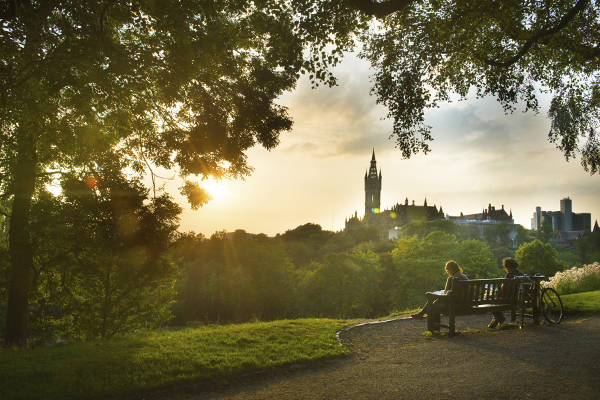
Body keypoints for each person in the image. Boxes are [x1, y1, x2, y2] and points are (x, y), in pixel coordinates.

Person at [488, 257, 524, 328]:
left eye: (505, 267)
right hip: (518, 298)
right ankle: (500, 317)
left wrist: (496, 292)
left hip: (508, 299)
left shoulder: (509, 275)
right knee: (493, 298)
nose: (505, 269)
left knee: (490, 298)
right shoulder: (520, 274)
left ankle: (499, 316)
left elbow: (503, 288)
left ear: (508, 267)